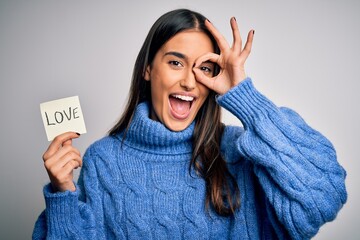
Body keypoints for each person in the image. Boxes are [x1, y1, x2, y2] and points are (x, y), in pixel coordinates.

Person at [32, 8, 347, 240]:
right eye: (175, 62)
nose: (187, 82)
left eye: (203, 68)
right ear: (147, 69)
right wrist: (63, 196)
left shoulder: (240, 152)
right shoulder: (104, 161)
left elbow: (324, 198)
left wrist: (245, 99)